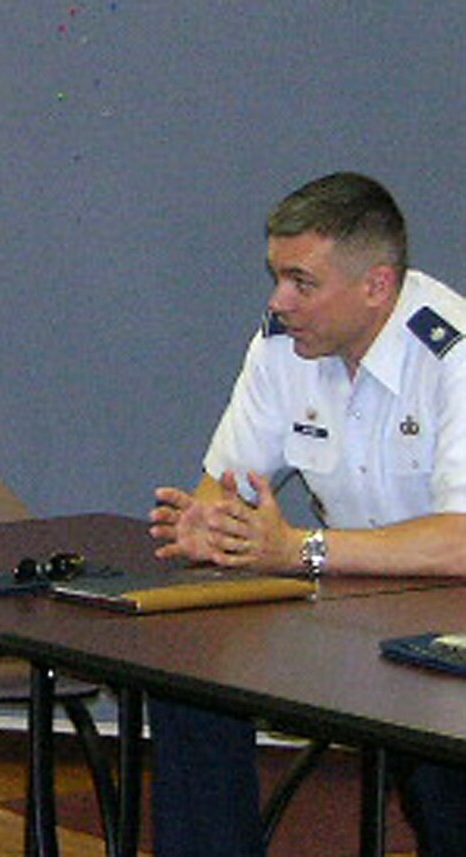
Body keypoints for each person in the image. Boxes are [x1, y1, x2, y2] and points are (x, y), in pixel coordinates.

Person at [149, 172, 466, 856]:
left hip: (454, 613)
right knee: (189, 679)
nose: (278, 300)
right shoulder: (281, 346)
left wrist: (301, 549)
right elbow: (224, 488)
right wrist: (209, 524)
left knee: (445, 760)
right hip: (347, 603)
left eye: (301, 282)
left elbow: (462, 543)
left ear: (376, 285)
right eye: (276, 277)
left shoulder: (454, 354)